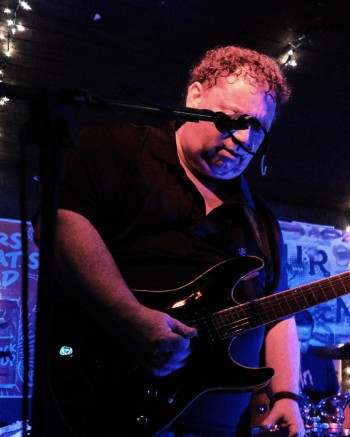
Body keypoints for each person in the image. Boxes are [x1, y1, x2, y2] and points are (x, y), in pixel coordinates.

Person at [46, 46, 304, 436]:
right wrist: (130, 318)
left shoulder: (261, 220)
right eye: (232, 119)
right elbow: (63, 225)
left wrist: (287, 395)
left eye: (258, 128)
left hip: (219, 425)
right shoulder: (119, 149)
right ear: (195, 97)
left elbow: (278, 313)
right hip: (100, 400)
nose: (243, 138)